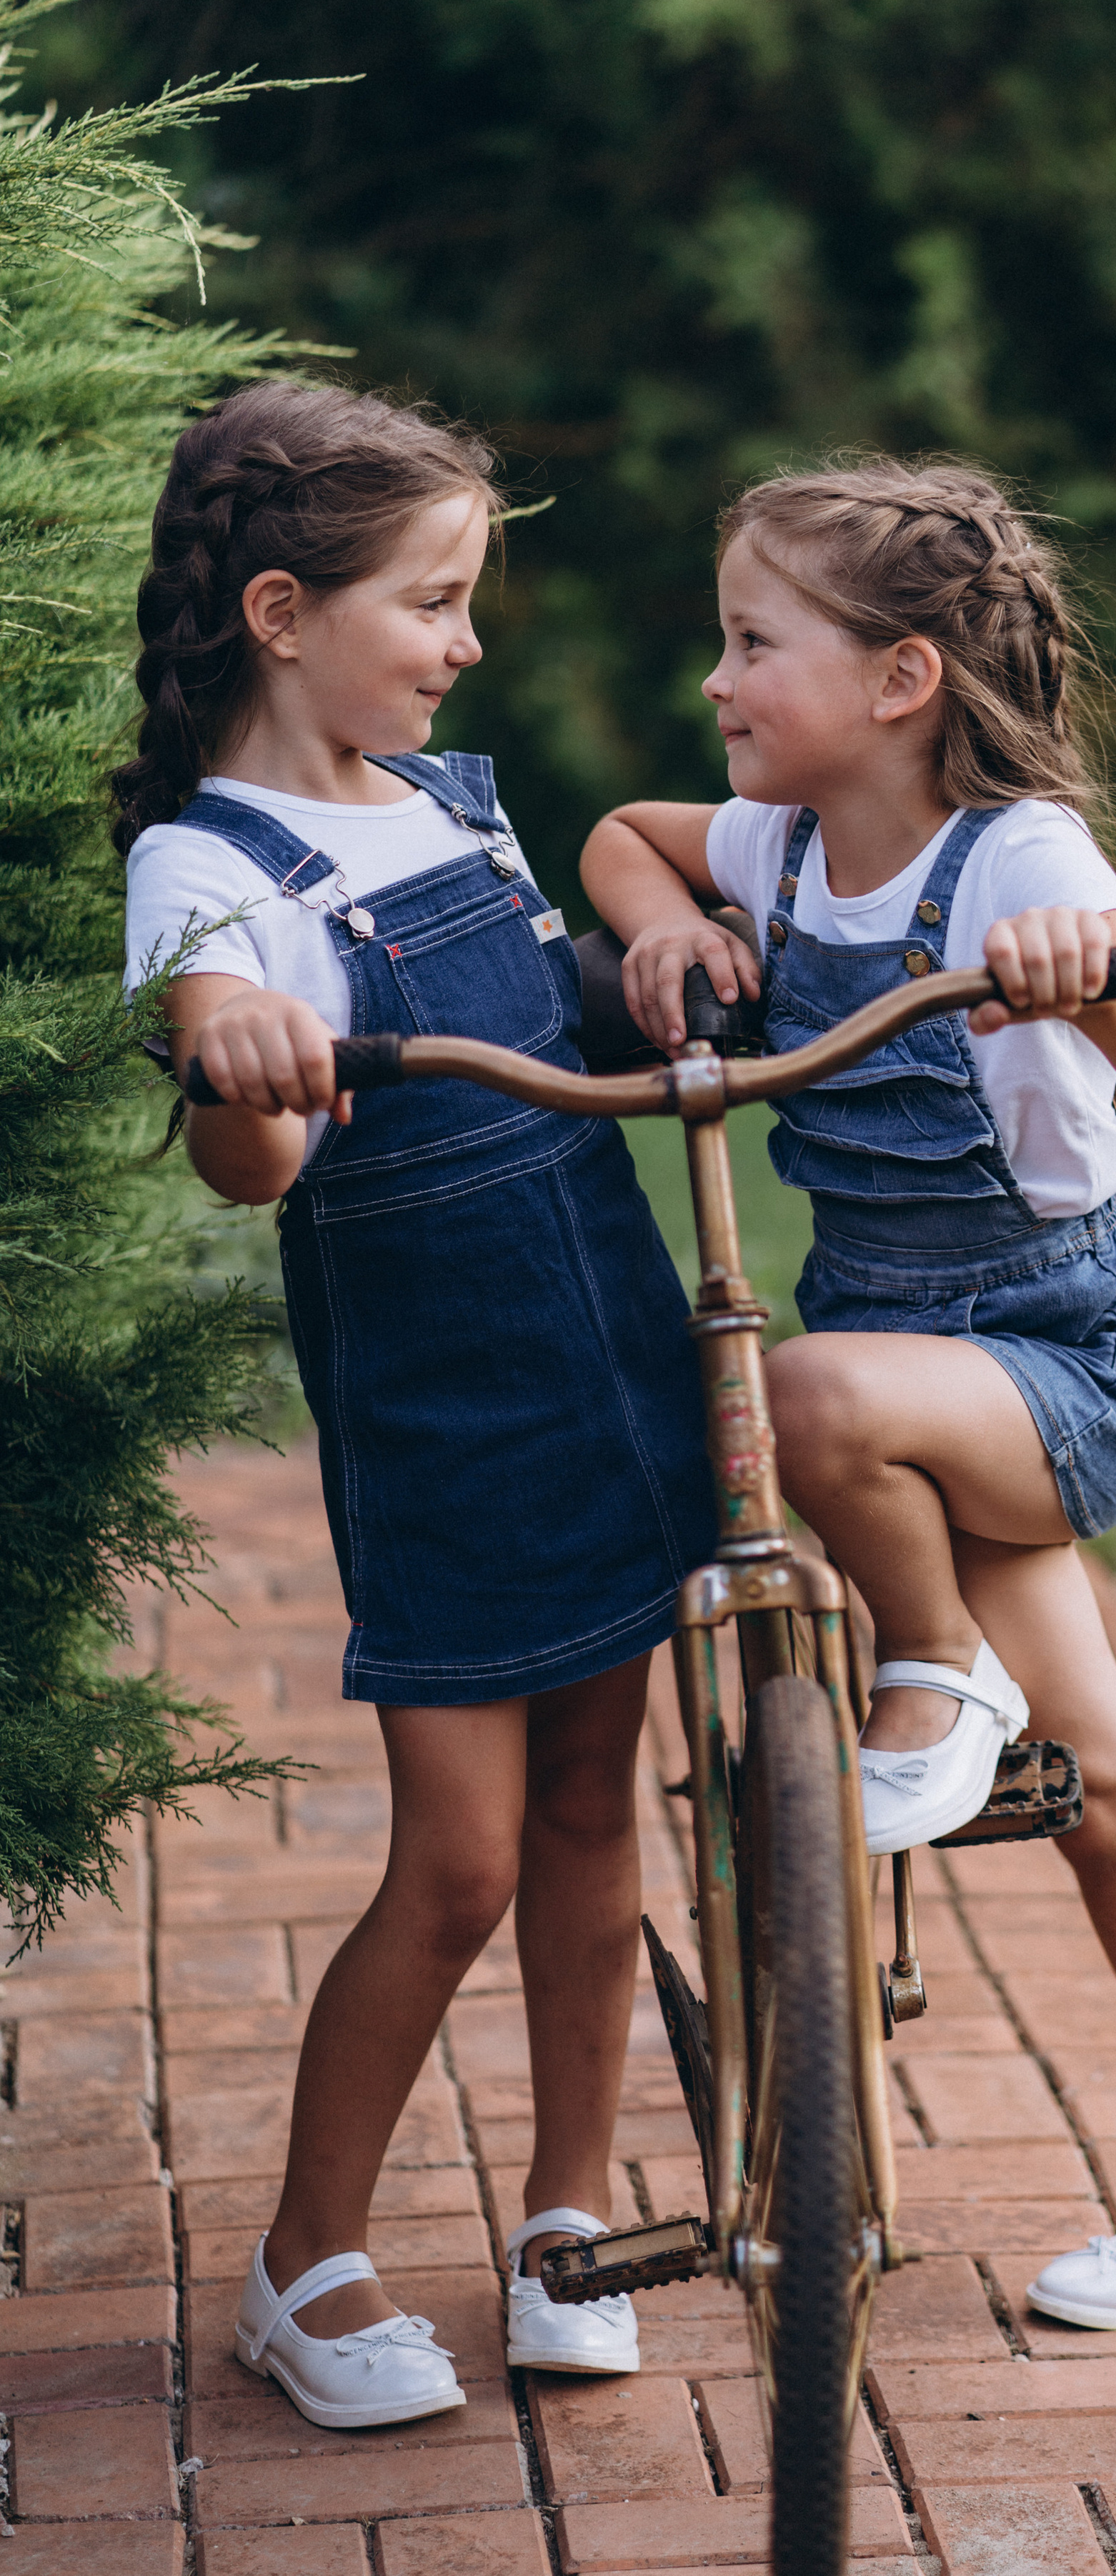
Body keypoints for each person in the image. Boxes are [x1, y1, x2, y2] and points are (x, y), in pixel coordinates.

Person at [582, 458, 1116, 2329]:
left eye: (756, 643)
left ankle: (938, 1667)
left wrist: (1087, 985)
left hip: (1058, 1349)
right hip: (927, 1370)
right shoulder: (777, 842)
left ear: (899, 680)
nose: (720, 681)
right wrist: (667, 932)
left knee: (809, 1392)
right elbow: (616, 832)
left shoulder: (1022, 858)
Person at [117, 383, 717, 2425]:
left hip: (611, 1352)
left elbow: (545, 981)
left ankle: (569, 2214)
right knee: (457, 1862)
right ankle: (305, 2261)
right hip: (446, 1404)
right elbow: (238, 1127)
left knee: (588, 1816)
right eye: (436, 600)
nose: (468, 643)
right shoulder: (207, 864)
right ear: (284, 611)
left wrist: (639, 966)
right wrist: (250, 1059)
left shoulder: (453, 796)